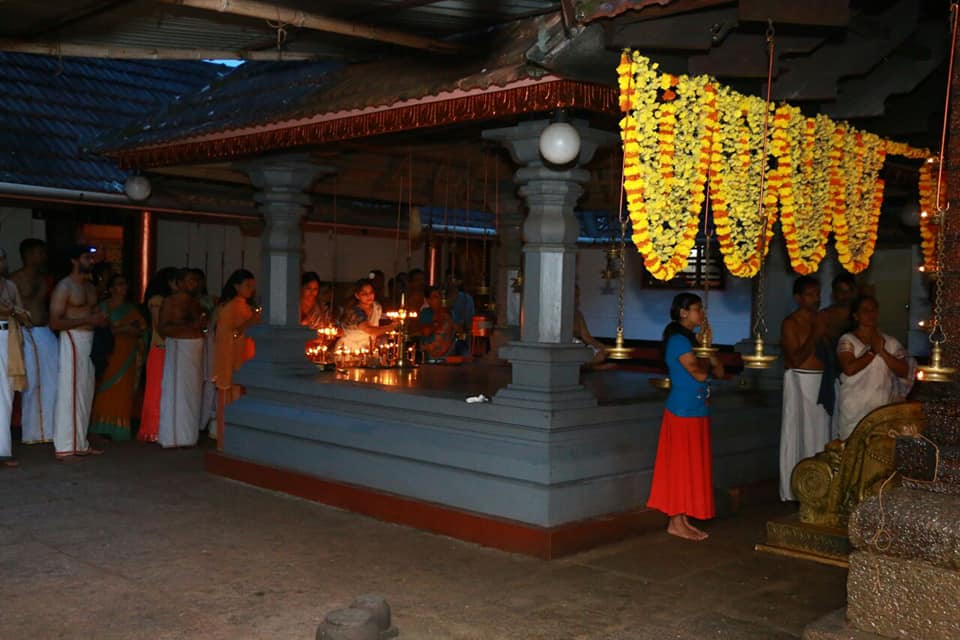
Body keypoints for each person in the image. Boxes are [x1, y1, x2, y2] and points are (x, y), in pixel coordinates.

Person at [646, 292, 724, 541]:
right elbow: (699, 374)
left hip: (697, 409)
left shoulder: (693, 341)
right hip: (682, 411)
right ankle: (675, 521)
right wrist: (704, 351)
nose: (702, 313)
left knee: (691, 466)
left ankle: (682, 519)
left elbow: (719, 371)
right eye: (697, 309)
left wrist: (707, 347)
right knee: (680, 466)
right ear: (683, 312)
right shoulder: (679, 340)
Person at [49, 244, 109, 460]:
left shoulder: (90, 287)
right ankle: (65, 446)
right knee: (70, 393)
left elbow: (92, 312)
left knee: (84, 392)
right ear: (74, 261)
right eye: (86, 258)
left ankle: (80, 442)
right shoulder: (64, 286)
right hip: (72, 339)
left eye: (91, 258)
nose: (91, 262)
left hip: (90, 341)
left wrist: (100, 319)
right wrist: (88, 319)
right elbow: (54, 322)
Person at [779, 276, 831, 501]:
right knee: (801, 434)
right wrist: (815, 334)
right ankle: (798, 488)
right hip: (801, 382)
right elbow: (794, 360)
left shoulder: (822, 320)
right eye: (810, 294)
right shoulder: (791, 323)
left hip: (823, 381)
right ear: (798, 298)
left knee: (822, 436)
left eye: (818, 294)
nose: (816, 299)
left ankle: (822, 486)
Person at [836, 295, 916, 440]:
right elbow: (849, 368)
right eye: (865, 310)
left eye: (873, 310)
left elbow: (905, 371)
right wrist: (872, 351)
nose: (870, 313)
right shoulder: (847, 340)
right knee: (852, 456)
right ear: (856, 316)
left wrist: (883, 352)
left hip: (881, 407)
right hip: (854, 407)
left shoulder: (890, 342)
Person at [11, 239, 58, 445]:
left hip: (45, 332)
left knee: (53, 380)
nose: (43, 256)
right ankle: (32, 433)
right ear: (28, 254)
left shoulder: (45, 278)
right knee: (32, 383)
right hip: (27, 332)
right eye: (39, 252)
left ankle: (50, 430)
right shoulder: (14, 280)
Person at [89, 274, 147, 441]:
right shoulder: (102, 307)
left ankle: (118, 429)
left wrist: (124, 330)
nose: (124, 287)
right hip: (107, 353)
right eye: (119, 284)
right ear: (111, 289)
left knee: (122, 389)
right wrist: (122, 329)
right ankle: (99, 427)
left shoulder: (132, 309)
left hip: (126, 354)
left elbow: (141, 330)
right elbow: (97, 330)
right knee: (104, 388)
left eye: (125, 284)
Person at [156, 269, 207, 448]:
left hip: (195, 347)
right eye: (190, 280)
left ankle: (189, 435)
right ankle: (175, 436)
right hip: (180, 346)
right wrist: (187, 328)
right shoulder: (170, 302)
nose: (194, 284)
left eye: (196, 280)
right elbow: (162, 328)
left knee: (193, 392)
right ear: (180, 283)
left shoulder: (196, 303)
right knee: (178, 391)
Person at [212, 269, 260, 446]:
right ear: (236, 286)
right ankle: (228, 441)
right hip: (232, 362)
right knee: (231, 399)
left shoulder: (245, 306)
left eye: (252, 286)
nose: (251, 289)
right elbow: (229, 335)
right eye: (247, 285)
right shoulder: (230, 307)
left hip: (244, 360)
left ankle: (241, 441)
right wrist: (251, 322)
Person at [137, 267, 179, 443]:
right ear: (170, 282)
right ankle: (152, 429)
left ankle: (160, 427)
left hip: (165, 346)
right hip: (160, 346)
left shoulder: (167, 301)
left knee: (164, 388)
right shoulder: (157, 300)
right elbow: (158, 325)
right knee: (156, 389)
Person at [816, 272, 858, 436]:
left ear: (854, 292)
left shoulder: (860, 316)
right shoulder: (825, 315)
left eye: (849, 290)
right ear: (834, 294)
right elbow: (822, 342)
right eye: (841, 291)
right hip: (832, 369)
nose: (845, 295)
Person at [0, 248, 28, 467]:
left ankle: (3, 450)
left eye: (2, 258)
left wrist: (13, 311)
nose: (1, 263)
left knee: (6, 394)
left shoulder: (10, 286)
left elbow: (23, 313)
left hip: (7, 337)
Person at [337, 278, 396, 352]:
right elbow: (369, 329)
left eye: (371, 292)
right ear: (357, 295)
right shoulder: (354, 311)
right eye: (364, 294)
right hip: (349, 349)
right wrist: (392, 327)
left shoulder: (376, 307)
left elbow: (379, 321)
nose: (369, 296)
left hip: (368, 348)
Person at [419, 285, 457, 360]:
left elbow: (459, 330)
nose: (439, 299)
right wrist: (437, 322)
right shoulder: (426, 313)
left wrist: (449, 320)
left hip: (448, 355)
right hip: (430, 354)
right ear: (428, 300)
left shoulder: (450, 312)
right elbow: (426, 332)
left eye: (440, 296)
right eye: (435, 297)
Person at [573, 285, 608, 366]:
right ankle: (590, 367)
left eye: (578, 296)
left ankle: (589, 366)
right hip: (568, 351)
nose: (578, 300)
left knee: (601, 355)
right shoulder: (559, 315)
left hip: (581, 347)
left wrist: (603, 347)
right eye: (575, 296)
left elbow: (586, 337)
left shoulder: (578, 315)